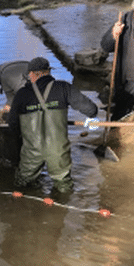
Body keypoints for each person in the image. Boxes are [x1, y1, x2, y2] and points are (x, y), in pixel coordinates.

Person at [8, 57, 98, 192]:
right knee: (64, 187)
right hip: (58, 150)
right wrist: (92, 119)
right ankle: (62, 207)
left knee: (22, 184)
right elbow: (91, 109)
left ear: (32, 74)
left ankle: (25, 208)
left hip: (32, 151)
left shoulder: (22, 94)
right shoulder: (63, 87)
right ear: (48, 71)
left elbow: (13, 124)